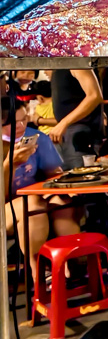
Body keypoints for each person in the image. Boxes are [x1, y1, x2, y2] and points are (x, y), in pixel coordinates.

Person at [1, 97, 80, 262]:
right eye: (14, 123)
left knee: (62, 202)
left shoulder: (35, 137)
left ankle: (72, 264)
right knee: (32, 205)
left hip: (34, 197)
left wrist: (66, 186)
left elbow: (54, 174)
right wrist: (10, 165)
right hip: (8, 205)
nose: (21, 126)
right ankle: (38, 273)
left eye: (24, 119)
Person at [49, 69, 104, 169]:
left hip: (79, 132)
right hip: (67, 132)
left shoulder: (75, 62)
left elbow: (94, 96)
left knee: (81, 177)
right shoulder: (59, 66)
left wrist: (63, 123)